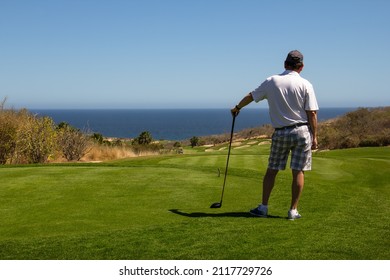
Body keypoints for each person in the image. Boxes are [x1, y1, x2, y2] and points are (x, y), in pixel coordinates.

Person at [231, 50, 319, 220]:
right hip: (302, 131)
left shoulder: (272, 81)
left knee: (272, 170)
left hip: (281, 132)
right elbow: (312, 114)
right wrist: (315, 137)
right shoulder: (306, 84)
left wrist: (237, 108)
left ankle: (263, 207)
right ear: (301, 67)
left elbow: (251, 96)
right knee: (298, 171)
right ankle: (293, 211)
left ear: (285, 64)